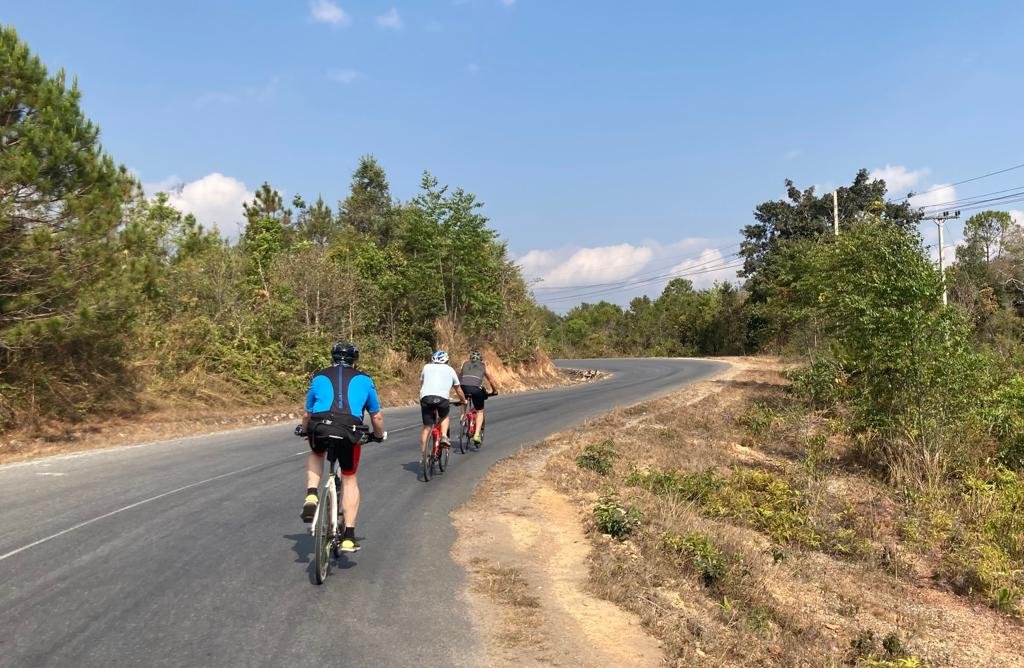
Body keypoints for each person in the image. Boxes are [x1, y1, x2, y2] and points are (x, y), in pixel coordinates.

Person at [300, 341, 385, 553]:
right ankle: (348, 536)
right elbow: (377, 415)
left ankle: (312, 493)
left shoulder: (319, 376)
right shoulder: (365, 380)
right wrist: (377, 435)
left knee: (316, 452)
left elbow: (307, 414)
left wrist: (304, 430)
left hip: (319, 425)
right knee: (349, 478)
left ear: (332, 358)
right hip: (350, 429)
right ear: (355, 361)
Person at [419, 350, 465, 456]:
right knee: (444, 416)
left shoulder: (426, 367)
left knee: (427, 427)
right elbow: (458, 389)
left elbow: (421, 385)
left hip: (426, 398)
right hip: (442, 399)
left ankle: (424, 455)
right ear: (447, 361)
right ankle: (444, 436)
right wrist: (463, 400)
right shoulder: (450, 370)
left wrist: (421, 399)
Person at [459, 350, 499, 445]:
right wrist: (494, 390)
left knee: (463, 401)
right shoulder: (483, 366)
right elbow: (491, 380)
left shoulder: (465, 364)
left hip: (463, 387)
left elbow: (460, 377)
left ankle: (463, 417)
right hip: (476, 389)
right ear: (480, 359)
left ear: (470, 358)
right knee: (480, 411)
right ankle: (476, 435)